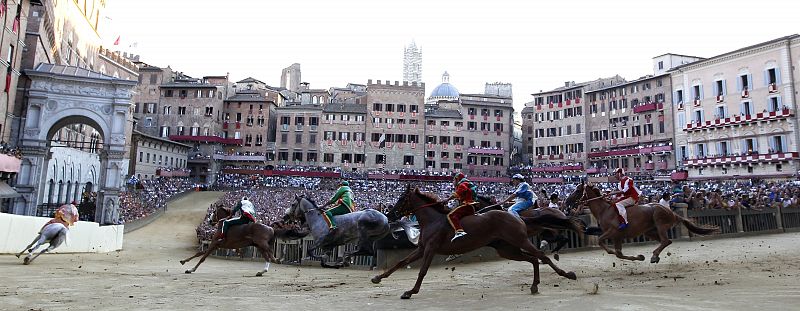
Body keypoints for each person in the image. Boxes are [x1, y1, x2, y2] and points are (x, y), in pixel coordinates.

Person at [446, 173, 479, 241]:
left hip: (467, 205)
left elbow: (459, 192)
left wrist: (447, 199)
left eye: (453, 180)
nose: (453, 182)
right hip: (470, 205)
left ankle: (459, 231)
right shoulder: (467, 183)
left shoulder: (462, 184)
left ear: (457, 179)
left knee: (451, 215)